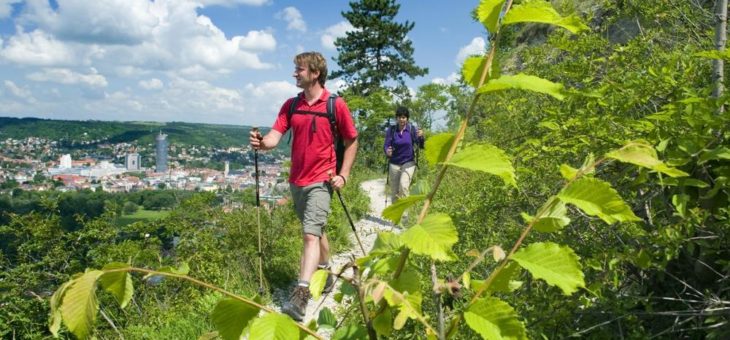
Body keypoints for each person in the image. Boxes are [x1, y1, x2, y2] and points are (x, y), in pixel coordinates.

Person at [249, 51, 358, 322]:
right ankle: (326, 269)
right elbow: (275, 136)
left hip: (322, 180)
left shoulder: (335, 105)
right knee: (315, 229)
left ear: (315, 73)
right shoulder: (291, 105)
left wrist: (344, 174)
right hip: (296, 180)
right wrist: (262, 143)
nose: (294, 74)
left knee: (309, 235)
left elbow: (351, 140)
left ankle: (300, 297)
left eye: (299, 69)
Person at [384, 106, 424, 204]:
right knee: (394, 192)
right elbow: (386, 145)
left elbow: (420, 144)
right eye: (400, 117)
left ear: (407, 119)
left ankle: (405, 217)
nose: (402, 119)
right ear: (396, 118)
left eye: (404, 117)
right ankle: (395, 218)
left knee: (403, 186)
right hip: (394, 163)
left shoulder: (411, 129)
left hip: (408, 162)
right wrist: (387, 151)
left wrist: (421, 136)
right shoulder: (392, 130)